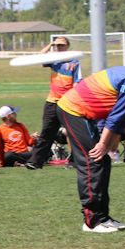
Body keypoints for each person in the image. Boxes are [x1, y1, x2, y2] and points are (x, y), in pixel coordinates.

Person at [57, 50, 125, 232]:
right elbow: (116, 116)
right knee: (93, 161)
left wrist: (107, 143)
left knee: (103, 161)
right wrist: (102, 144)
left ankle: (103, 217)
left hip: (84, 114)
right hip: (73, 110)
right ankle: (92, 221)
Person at [27, 36, 81, 170]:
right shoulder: (53, 60)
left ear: (67, 46)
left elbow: (77, 82)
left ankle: (75, 161)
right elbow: (39, 57)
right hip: (52, 102)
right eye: (57, 45)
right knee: (47, 132)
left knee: (72, 132)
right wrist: (50, 44)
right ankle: (36, 162)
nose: (59, 47)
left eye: (62, 45)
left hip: (67, 102)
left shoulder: (74, 62)